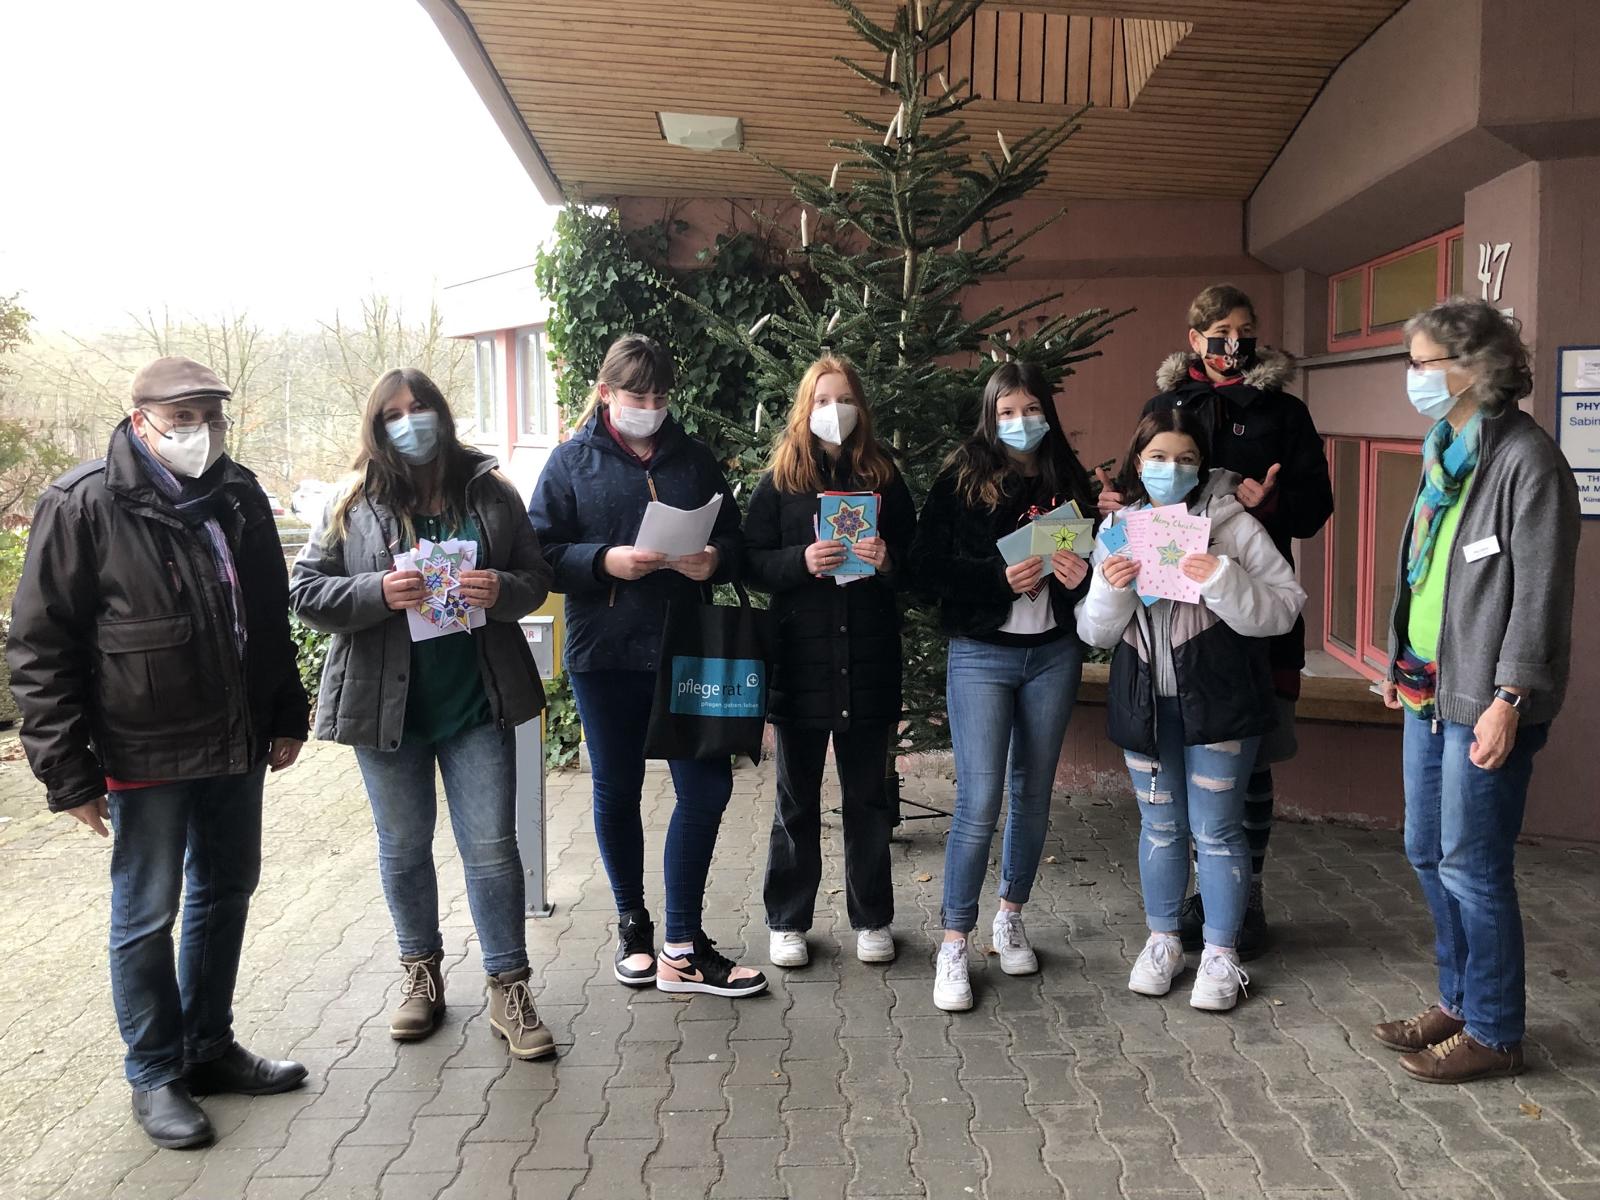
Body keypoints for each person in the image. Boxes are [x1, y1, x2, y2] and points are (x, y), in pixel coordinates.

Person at [6, 357, 310, 1149]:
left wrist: (286, 713)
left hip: (237, 738)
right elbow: (39, 647)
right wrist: (66, 772)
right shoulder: (83, 502)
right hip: (142, 748)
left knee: (226, 891)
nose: (200, 431)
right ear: (140, 420)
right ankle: (153, 1072)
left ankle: (207, 1048)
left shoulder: (238, 493)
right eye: (182, 418)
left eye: (211, 416)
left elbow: (266, 617)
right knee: (147, 914)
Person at [290, 367, 555, 1060]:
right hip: (387, 708)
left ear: (441, 411)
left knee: (492, 849)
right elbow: (306, 592)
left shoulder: (490, 491)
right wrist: (378, 591)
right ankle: (421, 974)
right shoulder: (353, 499)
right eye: (394, 414)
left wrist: (500, 588)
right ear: (378, 428)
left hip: (477, 700)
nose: (411, 422)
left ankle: (509, 986)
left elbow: (535, 578)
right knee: (404, 849)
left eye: (420, 407)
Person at [1370, 299, 1578, 1084]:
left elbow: (1540, 596)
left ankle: (1495, 1031)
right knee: (1427, 852)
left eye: (1422, 362)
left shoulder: (1527, 460)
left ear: (1472, 367)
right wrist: (1397, 659)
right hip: (1427, 688)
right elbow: (1424, 573)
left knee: (1472, 865)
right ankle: (1457, 1001)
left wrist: (1511, 698)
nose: (1412, 377)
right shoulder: (1446, 452)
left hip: (1485, 700)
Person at [528, 333, 766, 998]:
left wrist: (713, 560)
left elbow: (735, 538)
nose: (651, 407)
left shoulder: (693, 458)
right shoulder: (570, 461)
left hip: (687, 647)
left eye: (661, 396)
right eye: (638, 395)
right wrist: (605, 561)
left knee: (707, 789)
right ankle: (633, 925)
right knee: (617, 789)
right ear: (606, 393)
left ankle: (682, 946)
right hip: (605, 652)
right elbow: (539, 553)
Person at [1099, 284, 1332, 958]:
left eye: (1246, 328)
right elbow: (1138, 486)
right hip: (1167, 630)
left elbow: (1315, 507)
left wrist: (1269, 503)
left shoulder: (1284, 411)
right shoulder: (1165, 406)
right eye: (1222, 330)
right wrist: (1114, 505)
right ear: (1194, 337)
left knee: (1247, 763)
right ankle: (1181, 913)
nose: (1235, 341)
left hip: (1247, 605)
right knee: (1174, 798)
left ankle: (1241, 895)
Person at [1077, 408, 1305, 1012]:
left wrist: (1222, 578)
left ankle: (1221, 952)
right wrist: (1111, 586)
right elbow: (1095, 632)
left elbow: (1285, 608)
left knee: (1218, 829)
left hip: (1219, 704)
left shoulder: (1232, 525)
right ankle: (1163, 942)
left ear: (1201, 464)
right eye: (1157, 457)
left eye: (1184, 459)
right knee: (1160, 827)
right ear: (1138, 460)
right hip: (1146, 705)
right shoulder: (1118, 528)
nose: (1170, 469)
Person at [908, 361, 1096, 1012]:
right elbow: (923, 568)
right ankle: (953, 942)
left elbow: (1098, 564)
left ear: (1048, 412)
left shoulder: (1067, 476)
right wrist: (995, 576)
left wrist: (1080, 577)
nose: (1021, 422)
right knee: (980, 799)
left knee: (1033, 795)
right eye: (1007, 412)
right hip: (982, 655)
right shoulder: (963, 476)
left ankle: (1010, 916)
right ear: (990, 417)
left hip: (1053, 655)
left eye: (1031, 409)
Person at [743, 356, 915, 969]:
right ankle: (788, 920)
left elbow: (916, 560)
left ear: (859, 406)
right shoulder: (780, 480)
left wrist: (888, 559)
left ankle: (873, 919)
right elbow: (749, 559)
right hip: (801, 666)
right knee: (796, 800)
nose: (833, 411)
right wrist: (801, 561)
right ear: (804, 407)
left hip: (868, 663)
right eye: (821, 400)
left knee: (868, 799)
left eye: (843, 399)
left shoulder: (884, 476)